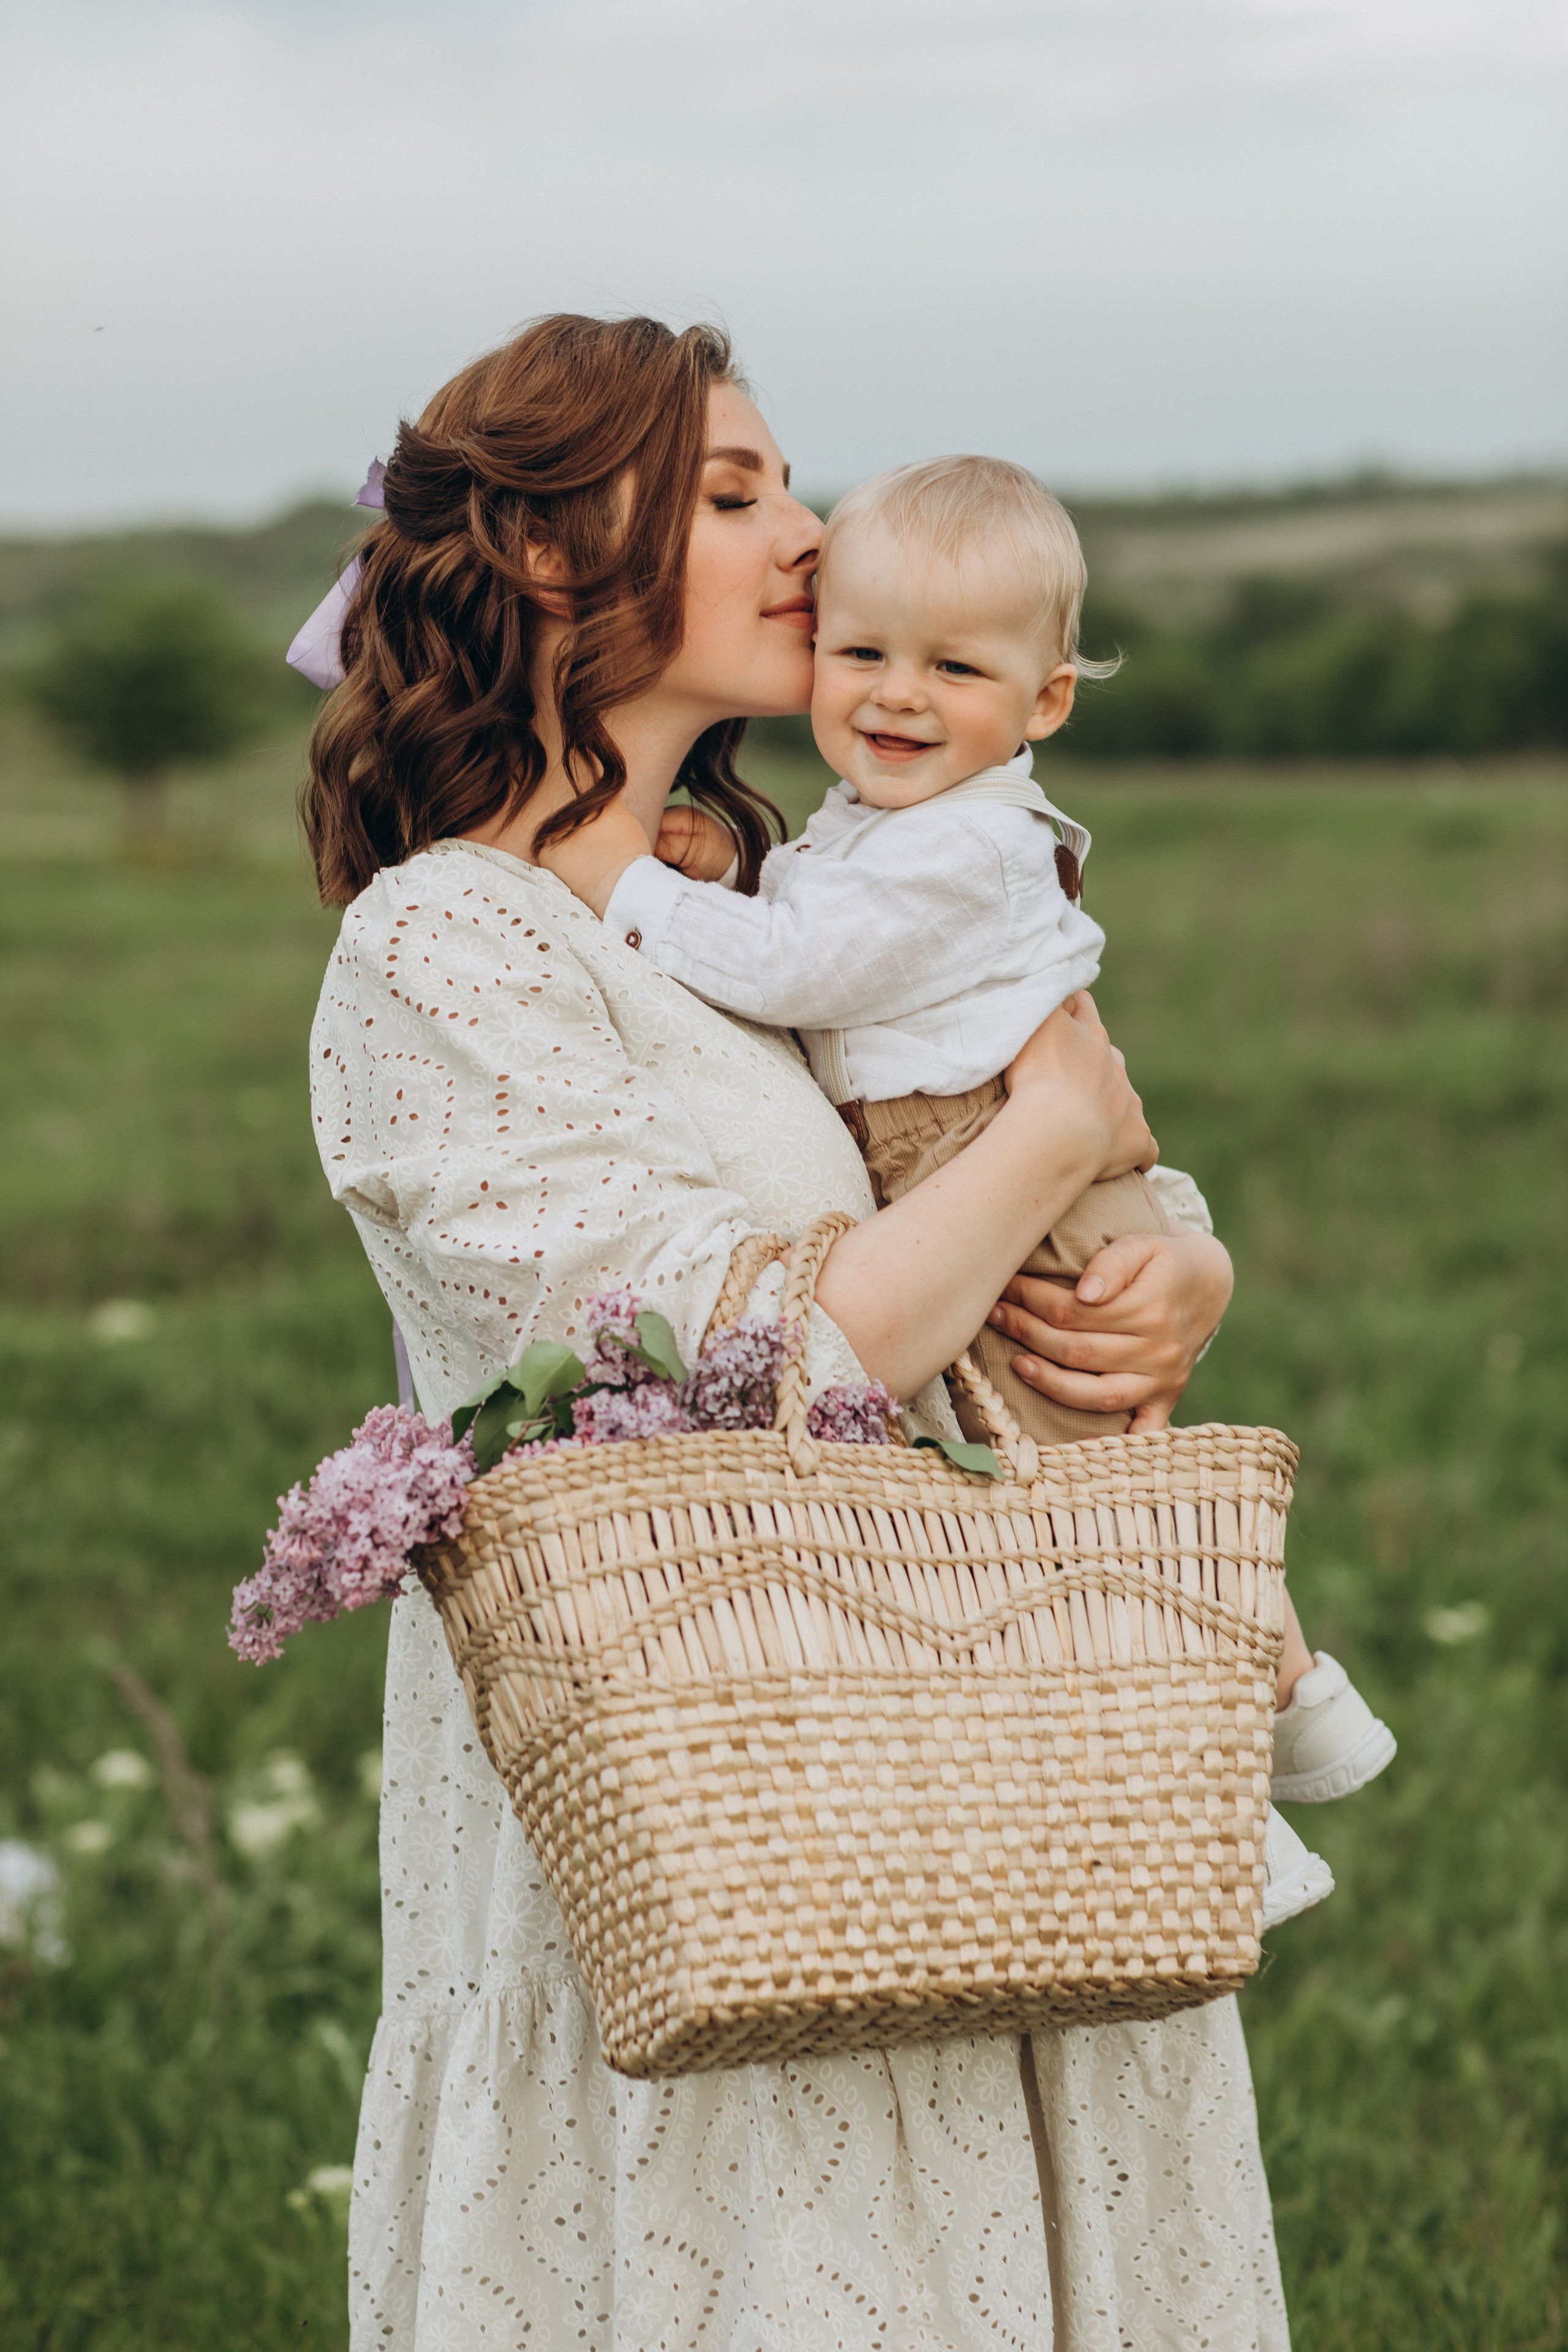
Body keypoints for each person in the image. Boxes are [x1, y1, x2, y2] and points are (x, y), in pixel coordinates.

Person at [299, 311, 1289, 2350]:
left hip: (963, 1749)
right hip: (695, 1780)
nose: (811, 532)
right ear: (559, 558)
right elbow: (726, 1368)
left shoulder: (782, 883)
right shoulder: (448, 941)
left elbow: (1032, 1112)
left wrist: (1166, 1247)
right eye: (736, 492)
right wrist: (1060, 1141)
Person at [543, 451, 1395, 1833]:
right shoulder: (888, 817)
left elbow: (802, 971)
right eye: (862, 651)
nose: (894, 693)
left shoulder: (967, 845)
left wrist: (624, 881)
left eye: (951, 671)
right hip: (976, 1163)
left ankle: (1262, 1741)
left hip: (983, 1160)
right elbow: (827, 931)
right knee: (1075, 1481)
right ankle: (1237, 1723)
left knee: (1103, 1484)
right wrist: (721, 868)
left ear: (1043, 703)